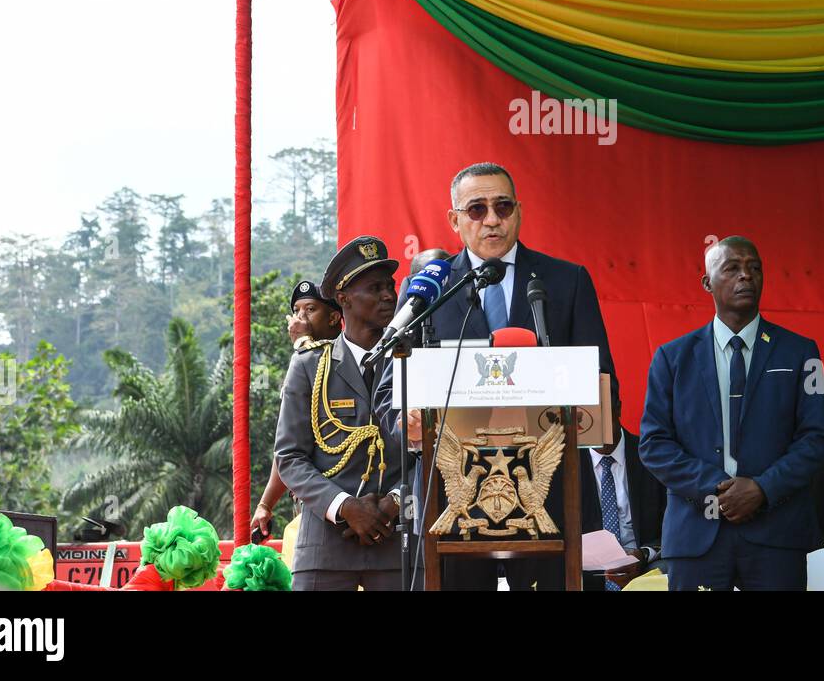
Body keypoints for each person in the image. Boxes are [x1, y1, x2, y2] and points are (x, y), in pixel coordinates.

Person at [378, 162, 617, 592]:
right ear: (455, 220)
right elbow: (389, 387)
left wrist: (590, 409)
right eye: (476, 209)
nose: (492, 219)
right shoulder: (427, 289)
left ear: (519, 212)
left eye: (503, 206)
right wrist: (404, 418)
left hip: (550, 493)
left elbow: (602, 381)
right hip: (452, 497)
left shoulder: (565, 282)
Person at [640, 236, 824, 591]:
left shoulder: (801, 352)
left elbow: (815, 439)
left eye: (754, 268)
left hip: (776, 534)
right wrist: (719, 489)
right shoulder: (672, 357)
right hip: (697, 534)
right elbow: (654, 443)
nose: (746, 276)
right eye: (732, 268)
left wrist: (761, 488)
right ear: (707, 282)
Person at [274, 236, 405, 591]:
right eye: (375, 288)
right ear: (343, 298)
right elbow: (290, 457)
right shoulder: (309, 366)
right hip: (325, 548)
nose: (389, 296)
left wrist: (394, 503)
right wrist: (346, 506)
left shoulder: (411, 361)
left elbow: (431, 453)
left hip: (398, 547)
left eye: (390, 286)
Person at [250, 280, 342, 541]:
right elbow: (289, 448)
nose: (301, 318)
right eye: (297, 310)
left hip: (343, 495)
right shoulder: (300, 366)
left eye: (311, 309)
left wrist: (302, 343)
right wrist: (265, 504)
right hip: (310, 498)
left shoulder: (346, 360)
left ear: (335, 317)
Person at [579, 378, 665, 591]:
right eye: (585, 411)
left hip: (646, 565)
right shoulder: (566, 465)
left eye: (599, 408)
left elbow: (671, 526)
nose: (593, 419)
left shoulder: (652, 457)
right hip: (586, 572)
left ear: (617, 407)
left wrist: (643, 554)